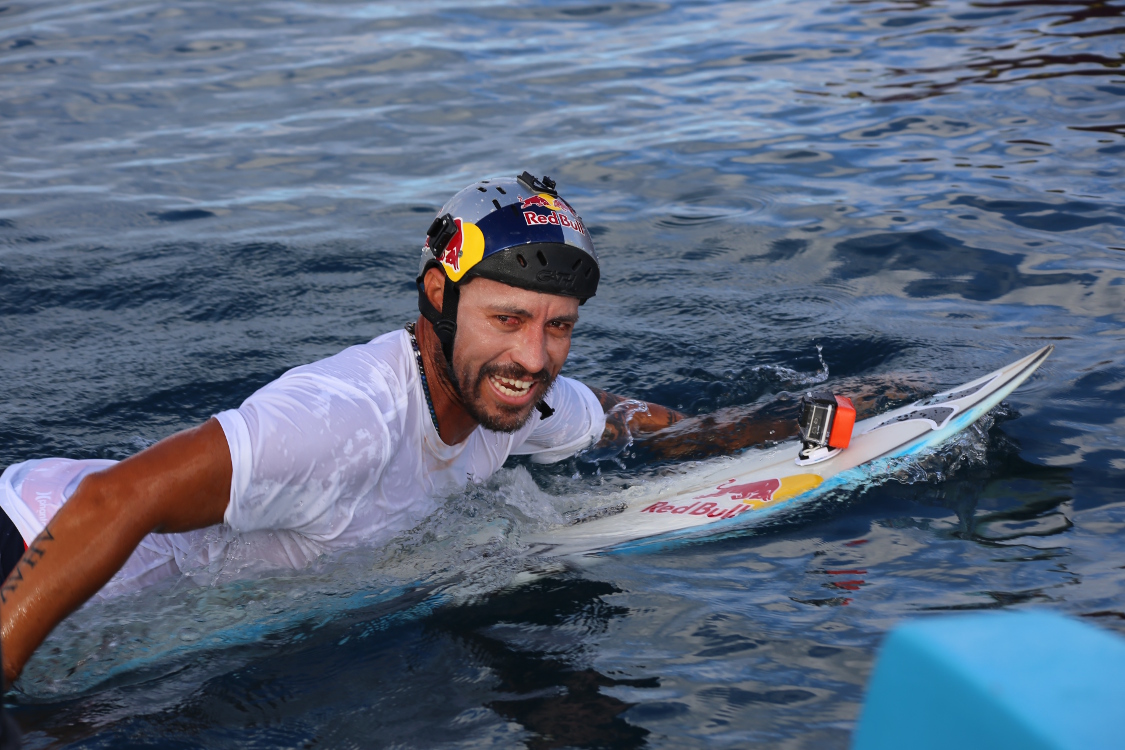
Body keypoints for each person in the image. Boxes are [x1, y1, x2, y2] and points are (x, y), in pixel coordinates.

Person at [0, 172, 792, 687]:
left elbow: (616, 416)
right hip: (29, 543)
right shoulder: (342, 419)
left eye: (560, 327)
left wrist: (738, 432)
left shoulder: (511, 400)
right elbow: (112, 500)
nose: (533, 356)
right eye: (508, 319)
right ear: (437, 301)